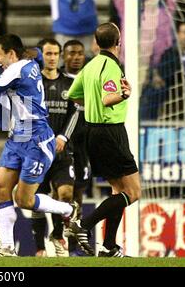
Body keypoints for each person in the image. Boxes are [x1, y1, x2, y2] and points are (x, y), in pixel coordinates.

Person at [0, 34, 78, 257]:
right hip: (17, 136)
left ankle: (69, 210)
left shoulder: (16, 70)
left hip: (37, 139)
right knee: (1, 188)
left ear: (11, 54)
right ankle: (8, 248)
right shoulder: (31, 62)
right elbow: (32, 52)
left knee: (24, 200)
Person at [67, 22, 141, 257]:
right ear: (118, 42)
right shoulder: (110, 65)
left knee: (117, 190)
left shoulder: (90, 66)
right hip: (110, 132)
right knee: (133, 192)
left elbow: (72, 96)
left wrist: (94, 105)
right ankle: (83, 224)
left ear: (97, 43)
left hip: (93, 132)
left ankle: (109, 247)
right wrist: (124, 94)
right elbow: (109, 98)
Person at [30, 38, 80, 257]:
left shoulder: (69, 84)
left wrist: (63, 137)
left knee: (65, 193)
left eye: (55, 54)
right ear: (41, 55)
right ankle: (40, 248)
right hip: (38, 151)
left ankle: (57, 235)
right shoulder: (32, 83)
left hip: (61, 150)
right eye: (47, 54)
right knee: (37, 200)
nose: (51, 58)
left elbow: (75, 113)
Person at [61, 39, 91, 255]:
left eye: (80, 53)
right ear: (64, 55)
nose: (76, 57)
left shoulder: (90, 79)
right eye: (72, 53)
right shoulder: (59, 80)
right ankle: (56, 237)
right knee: (61, 192)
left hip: (85, 143)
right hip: (63, 143)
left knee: (78, 192)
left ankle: (73, 245)